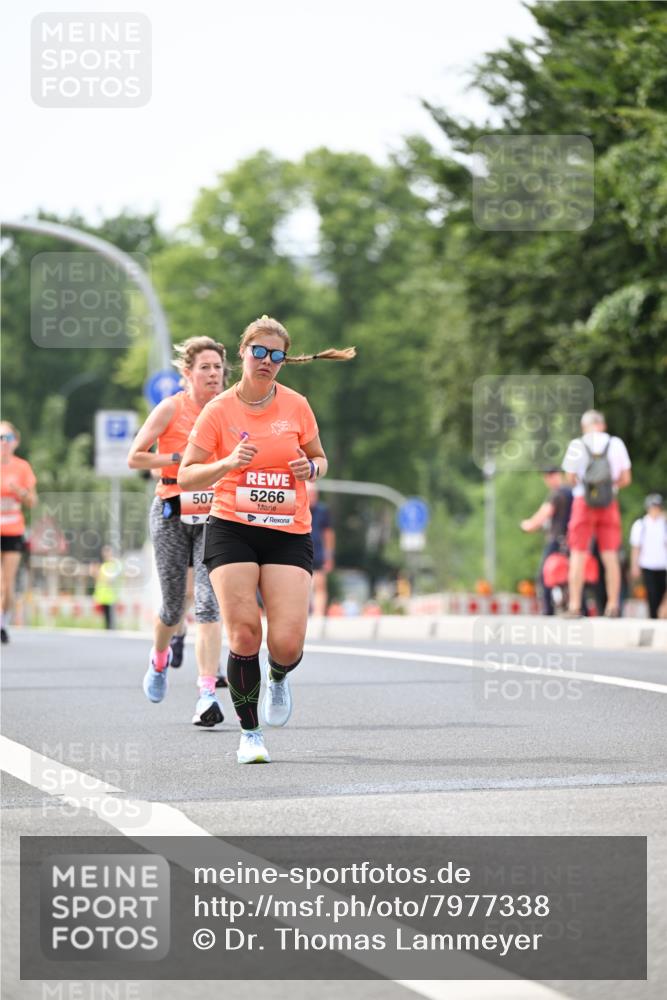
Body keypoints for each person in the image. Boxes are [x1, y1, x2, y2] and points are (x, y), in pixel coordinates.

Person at [179, 315, 355, 764]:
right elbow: (187, 474)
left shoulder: (296, 406)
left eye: (276, 356)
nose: (267, 362)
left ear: (284, 360)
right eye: (259, 352)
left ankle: (278, 675)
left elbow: (320, 458)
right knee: (243, 633)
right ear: (243, 353)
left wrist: (311, 469)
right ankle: (250, 733)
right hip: (231, 527)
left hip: (287, 531)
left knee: (288, 641)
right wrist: (227, 464)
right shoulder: (218, 410)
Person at [127, 336, 227, 726]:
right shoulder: (171, 409)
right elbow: (135, 456)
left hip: (215, 513)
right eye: (205, 367)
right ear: (187, 374)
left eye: (218, 367)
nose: (213, 374)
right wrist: (175, 458)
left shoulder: (228, 411)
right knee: (172, 607)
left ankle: (205, 695)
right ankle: (159, 659)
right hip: (171, 510)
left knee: (207, 604)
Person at [561, 409, 631, 617]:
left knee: (578, 554)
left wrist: (588, 484)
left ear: (585, 426)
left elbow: (570, 478)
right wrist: (609, 486)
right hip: (609, 503)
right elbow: (626, 478)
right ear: (603, 425)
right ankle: (612, 605)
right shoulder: (616, 444)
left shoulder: (577, 444)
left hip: (584, 502)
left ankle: (574, 605)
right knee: (610, 556)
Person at [1, 421, 37, 643]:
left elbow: (33, 501)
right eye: (0, 438)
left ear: (16, 442)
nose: (3, 443)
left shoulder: (22, 467)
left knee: (7, 582)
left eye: (7, 438)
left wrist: (21, 492)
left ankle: (3, 622)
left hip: (13, 529)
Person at [520, 467, 572, 615]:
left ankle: (548, 609)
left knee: (545, 574)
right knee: (572, 573)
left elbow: (543, 514)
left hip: (557, 540)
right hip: (574, 541)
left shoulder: (556, 494)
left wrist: (527, 525)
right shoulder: (572, 492)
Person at [630, 494, 667, 619]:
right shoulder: (641, 524)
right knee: (652, 593)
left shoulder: (664, 524)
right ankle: (653, 618)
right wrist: (634, 566)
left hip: (663, 565)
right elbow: (636, 547)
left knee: (662, 592)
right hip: (647, 564)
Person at [306, 481, 335, 616]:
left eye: (314, 494)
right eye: (310, 494)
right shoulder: (297, 508)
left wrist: (329, 555)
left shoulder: (322, 511)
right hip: (301, 551)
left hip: (318, 553)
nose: (313, 496)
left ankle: (318, 614)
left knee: (320, 585)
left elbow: (328, 534)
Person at [92, 544, 121, 629]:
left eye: (107, 552)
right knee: (106, 619)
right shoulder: (104, 566)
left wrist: (100, 576)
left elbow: (110, 580)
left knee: (110, 620)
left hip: (110, 596)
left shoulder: (113, 565)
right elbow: (99, 580)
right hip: (103, 596)